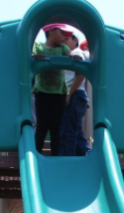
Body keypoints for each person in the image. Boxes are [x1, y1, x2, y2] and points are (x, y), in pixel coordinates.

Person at [32, 23, 83, 156]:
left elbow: (70, 53)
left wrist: (74, 56)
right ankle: (37, 154)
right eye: (62, 33)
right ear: (52, 31)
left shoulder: (62, 48)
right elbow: (32, 54)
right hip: (42, 92)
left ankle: (56, 157)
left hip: (59, 94)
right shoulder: (39, 46)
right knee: (42, 126)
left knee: (56, 128)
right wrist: (35, 56)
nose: (64, 37)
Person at [59, 31, 91, 157]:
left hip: (74, 95)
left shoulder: (77, 53)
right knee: (76, 131)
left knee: (68, 131)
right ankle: (86, 156)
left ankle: (67, 160)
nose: (63, 44)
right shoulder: (67, 56)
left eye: (66, 40)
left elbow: (80, 74)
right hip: (76, 95)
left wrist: (68, 94)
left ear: (74, 40)